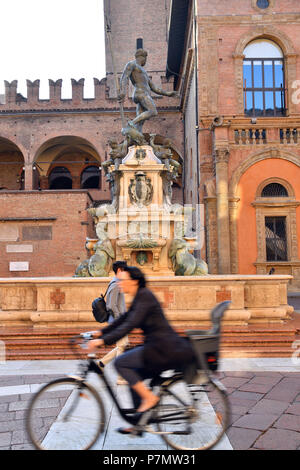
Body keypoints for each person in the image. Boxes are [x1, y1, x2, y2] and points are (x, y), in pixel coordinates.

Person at [86, 266, 195, 431]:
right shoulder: (140, 297)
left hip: (162, 348)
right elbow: (123, 319)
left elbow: (129, 324)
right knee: (133, 375)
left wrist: (103, 341)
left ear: (135, 281)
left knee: (121, 363)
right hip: (158, 346)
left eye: (123, 281)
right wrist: (99, 332)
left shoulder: (145, 297)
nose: (120, 284)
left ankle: (150, 400)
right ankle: (139, 421)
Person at [118, 49, 178, 133]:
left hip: (144, 94)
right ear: (143, 57)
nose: (145, 61)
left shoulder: (144, 72)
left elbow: (154, 88)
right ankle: (131, 123)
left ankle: (138, 140)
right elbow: (124, 77)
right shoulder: (132, 64)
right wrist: (123, 91)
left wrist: (168, 93)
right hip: (141, 93)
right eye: (146, 59)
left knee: (140, 122)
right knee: (153, 111)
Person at [98, 260, 129, 385]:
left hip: (118, 320)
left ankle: (101, 363)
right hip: (118, 321)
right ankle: (120, 377)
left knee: (122, 345)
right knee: (122, 346)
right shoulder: (116, 284)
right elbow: (111, 305)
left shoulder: (117, 283)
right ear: (120, 270)